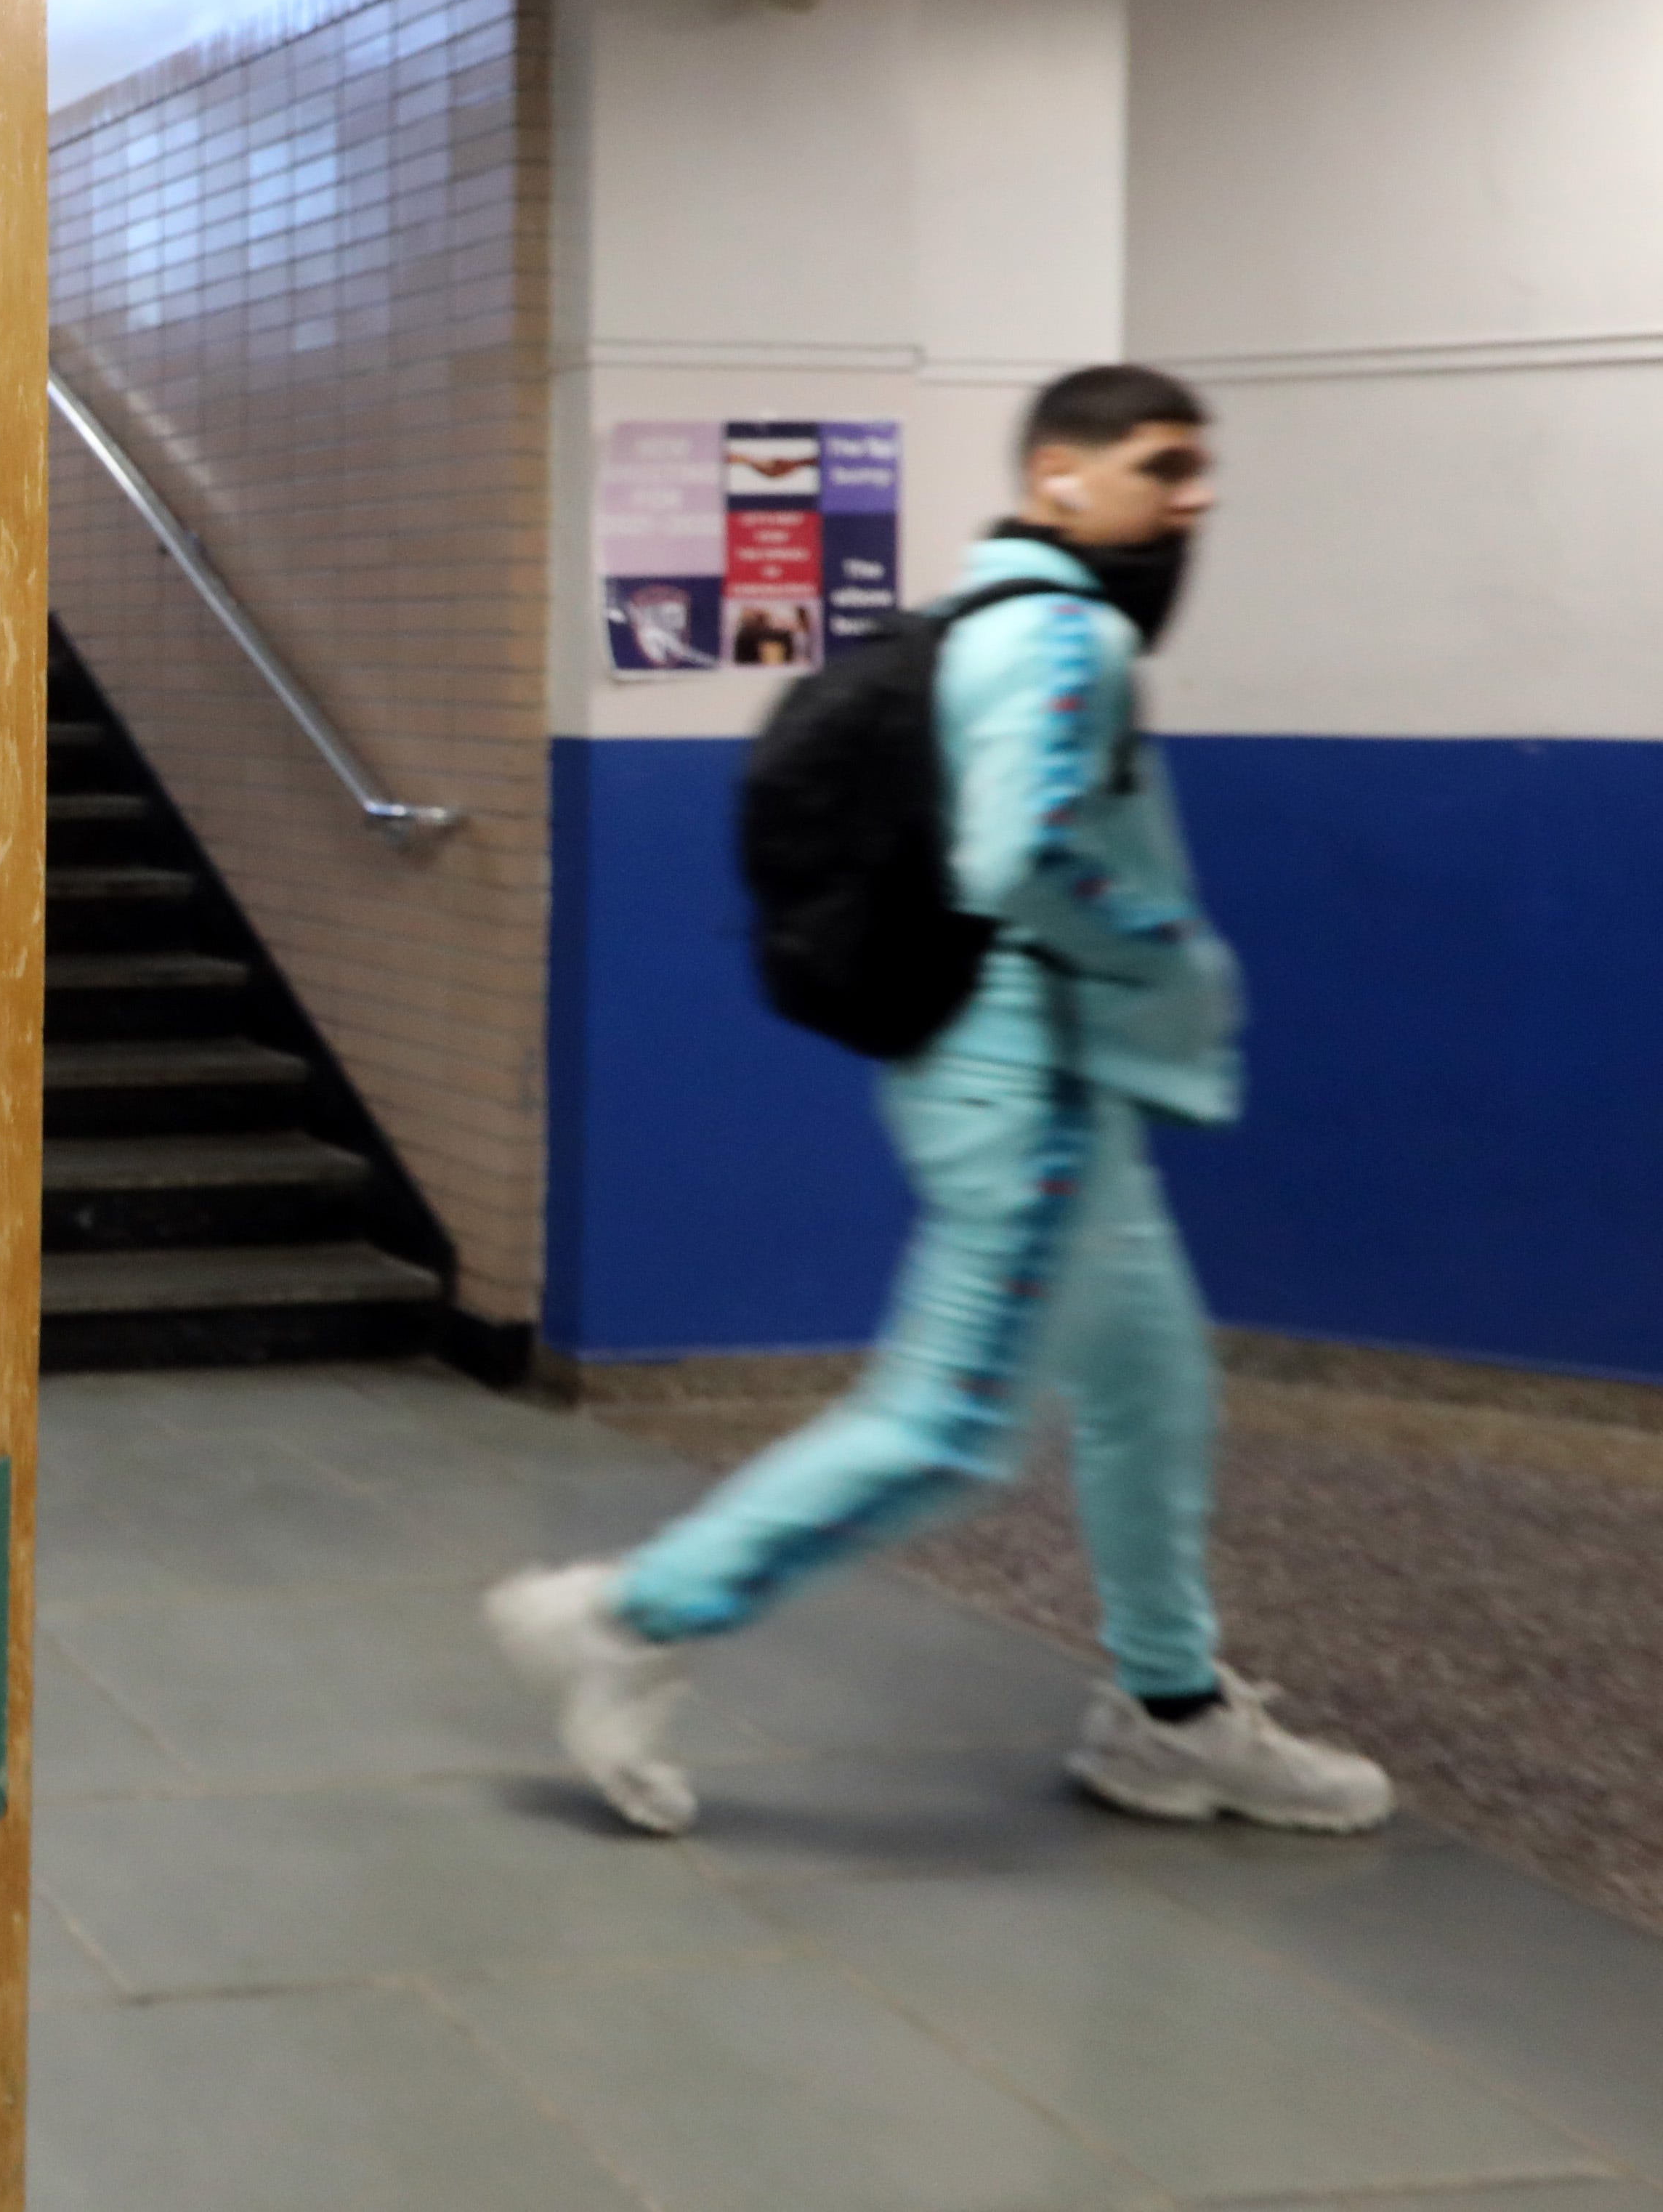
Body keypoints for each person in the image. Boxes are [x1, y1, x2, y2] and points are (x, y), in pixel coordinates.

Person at [488, 365, 1392, 1839]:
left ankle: (1165, 1715)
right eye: (1161, 466)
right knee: (951, 1423)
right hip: (1025, 1079)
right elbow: (1019, 855)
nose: (1192, 497)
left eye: (1196, 468)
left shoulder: (990, 618)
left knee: (1146, 1386)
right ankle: (631, 1617)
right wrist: (1176, 953)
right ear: (1058, 477)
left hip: (1037, 1074)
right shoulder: (1064, 635)